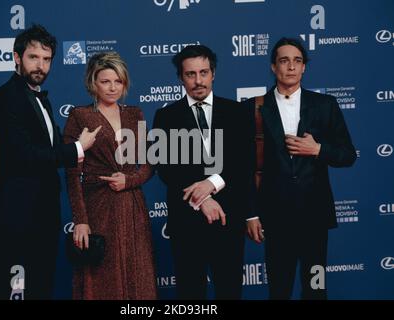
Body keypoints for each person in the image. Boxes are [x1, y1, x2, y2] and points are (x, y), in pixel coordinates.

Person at [0, 24, 100, 300]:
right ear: (16, 57)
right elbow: (21, 155)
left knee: (41, 285)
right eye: (33, 57)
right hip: (12, 214)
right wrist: (76, 149)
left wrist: (78, 146)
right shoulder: (6, 96)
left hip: (44, 214)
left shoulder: (42, 100)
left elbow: (52, 148)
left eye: (46, 59)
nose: (41, 66)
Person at [245, 37, 357, 299]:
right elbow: (243, 167)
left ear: (304, 67)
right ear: (274, 67)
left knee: (316, 289)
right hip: (275, 215)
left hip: (315, 217)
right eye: (284, 61)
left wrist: (317, 149)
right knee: (279, 290)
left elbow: (348, 155)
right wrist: (250, 214)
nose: (291, 67)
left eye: (297, 61)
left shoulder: (325, 105)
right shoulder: (254, 108)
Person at [152, 45, 254, 299]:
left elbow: (245, 161)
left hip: (228, 218)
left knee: (229, 290)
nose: (198, 81)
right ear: (180, 77)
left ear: (213, 73)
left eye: (204, 72)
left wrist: (213, 183)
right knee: (190, 293)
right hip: (186, 221)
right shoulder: (165, 116)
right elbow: (166, 168)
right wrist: (203, 198)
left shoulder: (238, 112)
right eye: (190, 74)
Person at [63, 52, 157, 300]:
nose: (113, 87)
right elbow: (72, 174)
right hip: (99, 208)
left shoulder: (134, 114)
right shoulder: (79, 116)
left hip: (132, 206)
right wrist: (81, 220)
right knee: (103, 278)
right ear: (93, 83)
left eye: (118, 81)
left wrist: (130, 180)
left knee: (137, 273)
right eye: (106, 81)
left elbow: (149, 163)